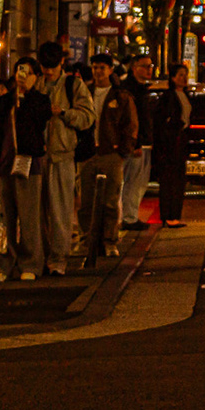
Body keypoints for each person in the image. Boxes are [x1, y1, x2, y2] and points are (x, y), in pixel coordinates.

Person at [37, 41, 94, 276]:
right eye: (44, 66)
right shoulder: (35, 84)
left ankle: (58, 259)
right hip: (36, 156)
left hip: (62, 155)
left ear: (61, 62)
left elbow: (88, 117)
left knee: (60, 211)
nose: (48, 71)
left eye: (52, 66)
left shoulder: (73, 85)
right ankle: (40, 256)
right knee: (36, 212)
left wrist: (65, 113)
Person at [77, 53, 137, 265]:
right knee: (85, 201)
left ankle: (109, 240)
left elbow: (130, 125)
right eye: (94, 67)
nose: (98, 71)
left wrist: (123, 150)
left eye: (102, 67)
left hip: (111, 154)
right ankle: (87, 240)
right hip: (87, 153)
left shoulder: (120, 95)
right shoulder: (84, 93)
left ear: (111, 70)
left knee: (111, 200)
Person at [0, 57, 49, 283]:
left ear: (36, 76)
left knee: (29, 217)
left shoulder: (39, 101)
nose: (22, 76)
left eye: (27, 72)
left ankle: (31, 263)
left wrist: (25, 97)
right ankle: (3, 263)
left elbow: (38, 123)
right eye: (19, 71)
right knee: (3, 217)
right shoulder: (4, 101)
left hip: (28, 165)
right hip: (4, 164)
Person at [117, 54, 156, 234]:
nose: (149, 70)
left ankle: (130, 215)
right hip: (135, 144)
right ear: (134, 68)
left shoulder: (142, 89)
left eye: (150, 66)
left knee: (139, 182)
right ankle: (128, 217)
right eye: (145, 66)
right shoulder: (129, 90)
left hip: (144, 142)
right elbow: (130, 119)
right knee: (132, 181)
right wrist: (136, 142)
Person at [152, 61, 194, 227]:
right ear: (173, 78)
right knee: (169, 181)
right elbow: (162, 122)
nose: (184, 79)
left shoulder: (186, 95)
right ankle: (168, 215)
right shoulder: (168, 97)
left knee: (179, 180)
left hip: (181, 141)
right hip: (169, 144)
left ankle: (175, 215)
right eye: (180, 75)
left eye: (185, 75)